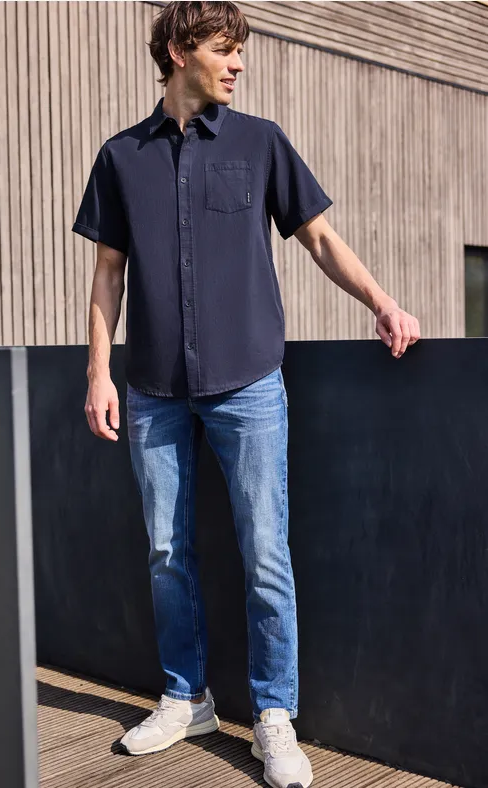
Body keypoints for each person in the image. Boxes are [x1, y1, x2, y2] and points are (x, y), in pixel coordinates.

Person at [72, 3, 420, 786]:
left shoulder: (261, 143)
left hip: (249, 383)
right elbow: (106, 275)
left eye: (239, 52)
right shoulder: (120, 157)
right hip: (154, 388)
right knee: (166, 552)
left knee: (266, 551)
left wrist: (382, 302)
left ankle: (272, 716)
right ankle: (183, 696)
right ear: (176, 51)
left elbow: (321, 239)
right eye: (224, 51)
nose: (237, 65)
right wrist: (98, 372)